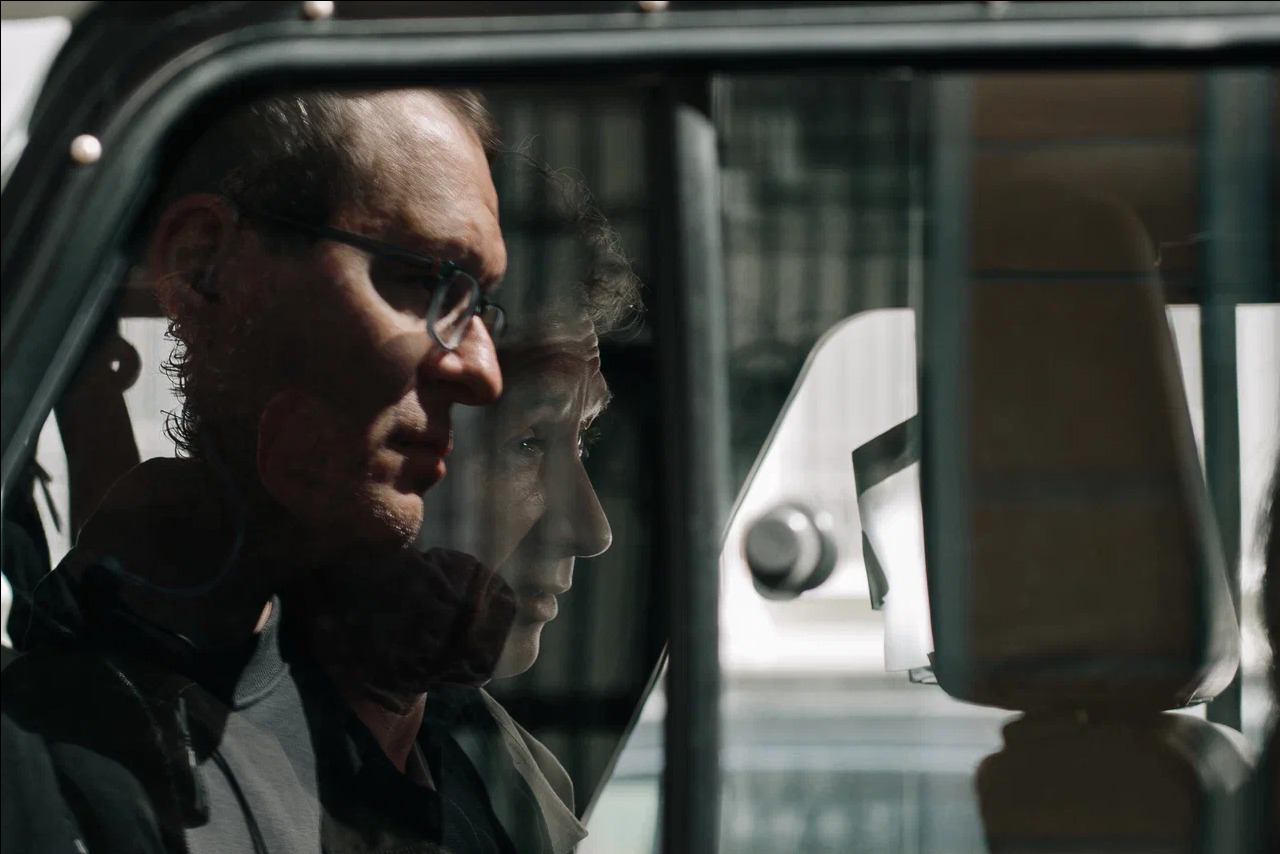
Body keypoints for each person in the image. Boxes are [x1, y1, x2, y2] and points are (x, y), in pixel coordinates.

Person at [3, 87, 511, 854]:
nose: (482, 371)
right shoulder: (56, 753)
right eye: (423, 279)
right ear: (203, 264)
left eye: (479, 304)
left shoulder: (409, 737)